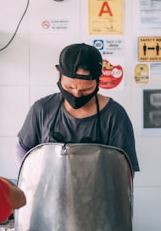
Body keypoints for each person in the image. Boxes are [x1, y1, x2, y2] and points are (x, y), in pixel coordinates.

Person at [16, 43, 140, 173]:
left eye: (86, 89)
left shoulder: (115, 115)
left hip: (99, 192)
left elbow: (124, 166)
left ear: (98, 80)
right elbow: (22, 149)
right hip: (49, 191)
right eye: (70, 87)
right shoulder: (42, 109)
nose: (76, 94)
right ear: (59, 73)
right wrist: (33, 178)